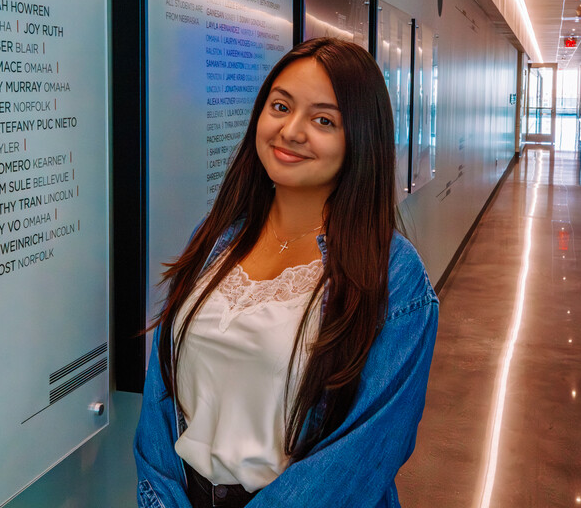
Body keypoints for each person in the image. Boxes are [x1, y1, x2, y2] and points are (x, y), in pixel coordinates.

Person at [134, 37, 439, 507]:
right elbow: (160, 397)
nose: (291, 131)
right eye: (280, 106)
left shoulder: (393, 276)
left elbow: (361, 454)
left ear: (360, 137)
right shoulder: (217, 237)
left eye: (323, 120)